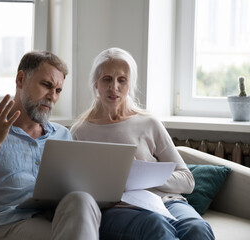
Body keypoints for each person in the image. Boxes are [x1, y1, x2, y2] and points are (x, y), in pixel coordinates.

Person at [0, 50, 101, 240]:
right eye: (46, 85)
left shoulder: (62, 134)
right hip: (10, 224)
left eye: (58, 90)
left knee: (81, 199)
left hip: (58, 218)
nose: (52, 97)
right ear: (21, 79)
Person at [70, 47, 215, 240]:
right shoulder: (80, 131)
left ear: (130, 85)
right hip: (118, 210)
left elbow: (188, 181)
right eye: (107, 79)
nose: (114, 87)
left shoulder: (149, 123)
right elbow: (73, 189)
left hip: (166, 202)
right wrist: (110, 189)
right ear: (96, 83)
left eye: (122, 80)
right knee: (157, 226)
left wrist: (144, 179)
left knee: (198, 228)